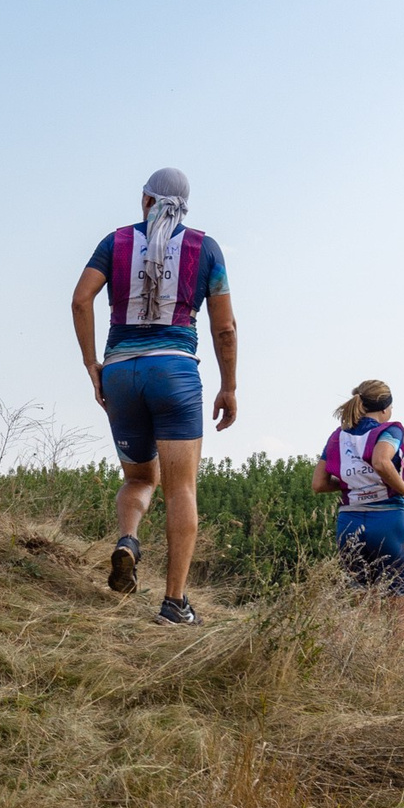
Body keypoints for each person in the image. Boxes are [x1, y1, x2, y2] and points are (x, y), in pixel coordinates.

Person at [69, 167, 239, 626]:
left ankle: (128, 540)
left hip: (121, 372)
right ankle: (174, 603)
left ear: (145, 200)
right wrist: (229, 386)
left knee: (141, 477)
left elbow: (81, 300)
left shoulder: (115, 242)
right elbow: (224, 327)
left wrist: (92, 365)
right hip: (175, 372)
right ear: (183, 208)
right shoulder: (206, 248)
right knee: (181, 487)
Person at [315, 379, 404, 648]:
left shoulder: (337, 436)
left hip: (349, 521)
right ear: (386, 409)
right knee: (399, 613)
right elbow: (381, 461)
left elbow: (318, 484)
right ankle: (398, 674)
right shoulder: (390, 430)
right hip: (388, 519)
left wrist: (349, 483)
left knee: (359, 607)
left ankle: (352, 662)